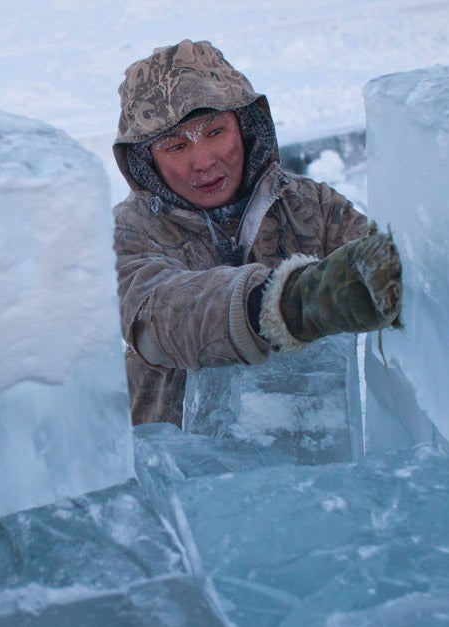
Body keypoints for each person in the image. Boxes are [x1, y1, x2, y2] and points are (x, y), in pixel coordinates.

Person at [112, 39, 402, 427]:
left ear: (246, 128)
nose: (203, 162)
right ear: (147, 162)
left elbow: (394, 268)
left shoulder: (311, 206)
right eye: (176, 145)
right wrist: (286, 302)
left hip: (313, 460)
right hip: (177, 471)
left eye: (215, 132)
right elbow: (157, 319)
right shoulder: (126, 232)